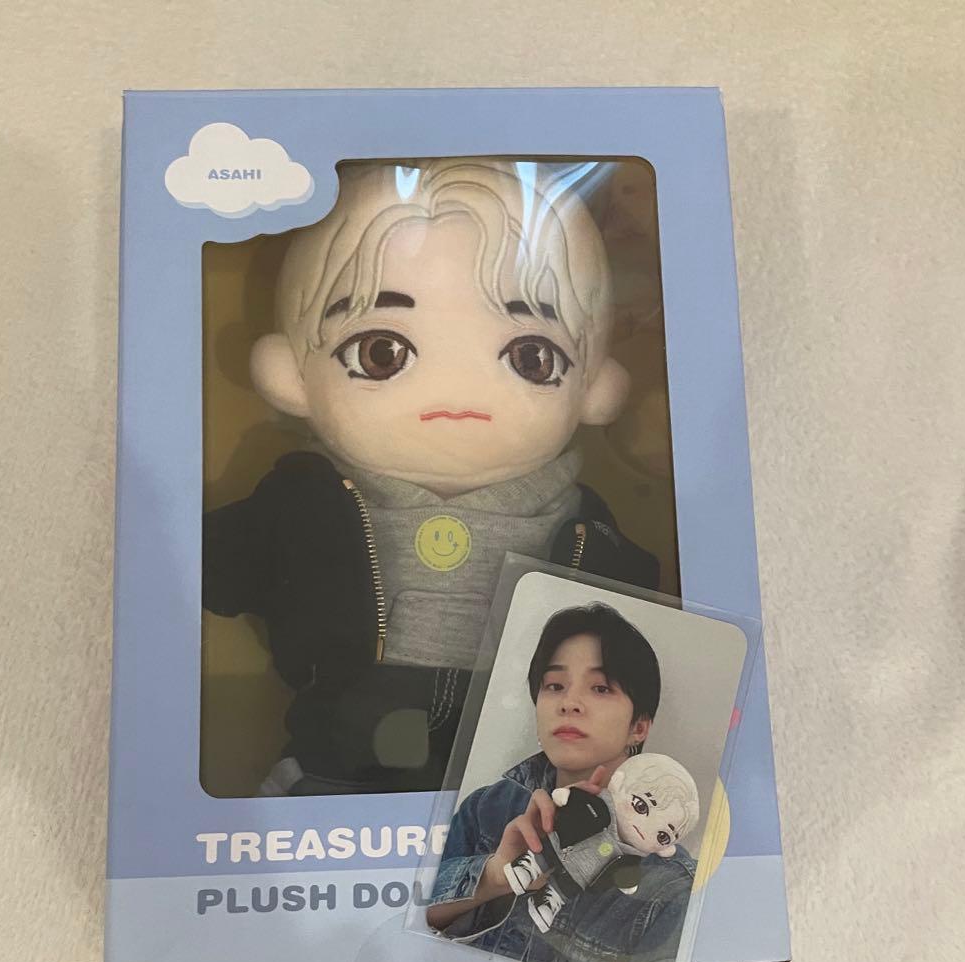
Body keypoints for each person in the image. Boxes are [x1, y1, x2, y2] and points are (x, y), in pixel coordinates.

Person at [202, 159, 659, 797]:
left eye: (531, 356)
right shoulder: (301, 504)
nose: (457, 389)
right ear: (290, 374)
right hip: (338, 760)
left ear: (596, 388)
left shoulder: (583, 529)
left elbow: (641, 635)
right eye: (381, 352)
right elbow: (193, 567)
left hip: (515, 769)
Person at [425, 603, 696, 962]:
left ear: (639, 726)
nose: (569, 702)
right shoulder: (486, 808)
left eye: (600, 688)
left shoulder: (671, 885)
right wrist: (493, 877)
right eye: (554, 685)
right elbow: (403, 920)